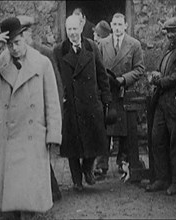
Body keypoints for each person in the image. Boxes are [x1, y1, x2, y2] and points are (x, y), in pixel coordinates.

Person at [0, 17, 62, 219]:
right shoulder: (0, 60)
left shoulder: (42, 63)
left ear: (25, 38)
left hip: (32, 136)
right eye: (9, 44)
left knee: (28, 195)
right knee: (9, 197)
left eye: (17, 43)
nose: (14, 48)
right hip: (5, 135)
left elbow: (52, 102)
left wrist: (53, 135)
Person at [53, 15, 111, 192]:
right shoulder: (59, 50)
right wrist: (59, 97)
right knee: (72, 146)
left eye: (74, 29)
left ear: (81, 28)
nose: (72, 33)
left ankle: (87, 168)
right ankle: (77, 180)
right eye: (68, 29)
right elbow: (55, 76)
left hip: (90, 103)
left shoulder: (92, 47)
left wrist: (106, 99)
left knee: (94, 141)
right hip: (70, 103)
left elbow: (102, 75)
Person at [17, 14, 63, 201]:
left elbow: (56, 87)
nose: (19, 40)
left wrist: (55, 118)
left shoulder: (44, 53)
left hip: (40, 114)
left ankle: (50, 191)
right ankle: (48, 191)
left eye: (23, 34)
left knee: (39, 155)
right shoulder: (14, 54)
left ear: (29, 33)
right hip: (22, 116)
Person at [145, 17, 176, 195]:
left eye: (174, 31)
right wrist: (157, 74)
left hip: (175, 104)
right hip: (161, 104)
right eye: (168, 31)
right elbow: (164, 70)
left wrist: (158, 81)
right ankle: (162, 178)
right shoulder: (167, 49)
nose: (170, 34)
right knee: (157, 140)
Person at [98, 12, 145, 174]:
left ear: (126, 26)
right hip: (107, 91)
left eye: (120, 25)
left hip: (124, 92)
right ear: (111, 26)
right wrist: (106, 81)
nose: (117, 28)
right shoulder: (102, 44)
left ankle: (122, 160)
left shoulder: (134, 45)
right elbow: (97, 66)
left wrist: (123, 79)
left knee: (124, 128)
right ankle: (102, 164)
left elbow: (139, 69)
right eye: (115, 25)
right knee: (106, 127)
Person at [91, 20, 113, 178]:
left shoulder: (105, 48)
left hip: (110, 92)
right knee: (101, 131)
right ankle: (101, 164)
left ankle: (121, 161)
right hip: (98, 93)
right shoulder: (94, 48)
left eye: (98, 35)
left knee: (110, 129)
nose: (95, 37)